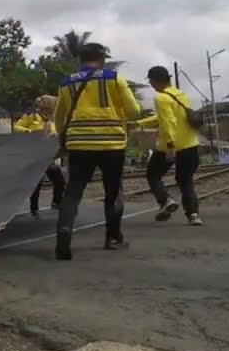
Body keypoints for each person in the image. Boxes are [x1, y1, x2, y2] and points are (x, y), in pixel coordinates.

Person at [51, 43, 141, 260]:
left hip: (79, 144)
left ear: (80, 59)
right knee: (113, 191)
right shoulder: (114, 78)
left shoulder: (67, 82)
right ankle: (113, 238)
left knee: (73, 191)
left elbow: (59, 117)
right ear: (101, 58)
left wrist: (64, 138)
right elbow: (134, 111)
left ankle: (64, 234)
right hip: (111, 144)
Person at [134, 66, 203, 226]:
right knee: (185, 181)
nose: (151, 84)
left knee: (153, 174)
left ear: (154, 80)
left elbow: (168, 122)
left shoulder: (161, 98)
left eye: (150, 81)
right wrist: (140, 123)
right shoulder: (180, 94)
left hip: (170, 146)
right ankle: (193, 215)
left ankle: (166, 200)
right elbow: (165, 117)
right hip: (191, 145)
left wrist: (171, 146)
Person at [15, 95, 63, 217]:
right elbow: (17, 127)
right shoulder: (31, 115)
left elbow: (57, 131)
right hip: (35, 155)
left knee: (59, 180)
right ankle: (34, 208)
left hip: (48, 156)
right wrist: (30, 132)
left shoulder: (53, 119)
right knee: (37, 182)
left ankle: (56, 202)